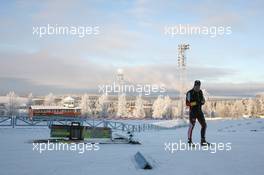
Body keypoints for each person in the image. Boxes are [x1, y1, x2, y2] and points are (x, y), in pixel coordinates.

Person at [186, 80, 210, 146]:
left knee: (204, 125)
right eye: (196, 86)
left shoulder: (200, 92)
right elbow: (187, 103)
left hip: (199, 112)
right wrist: (195, 103)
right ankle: (189, 141)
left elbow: (203, 100)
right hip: (192, 112)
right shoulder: (189, 93)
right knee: (191, 126)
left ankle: (203, 141)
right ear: (194, 85)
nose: (198, 88)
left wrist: (203, 101)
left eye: (199, 86)